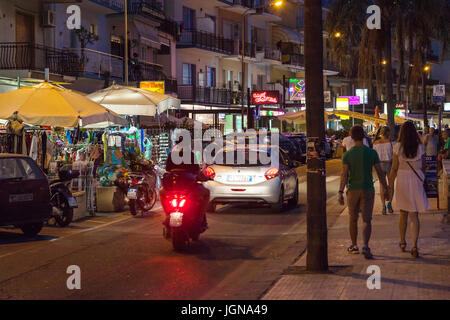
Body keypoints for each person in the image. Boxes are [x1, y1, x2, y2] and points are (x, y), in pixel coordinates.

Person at [338, 125, 390, 259]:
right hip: (367, 189)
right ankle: (365, 246)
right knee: (367, 220)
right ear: (363, 136)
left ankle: (354, 245)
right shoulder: (371, 153)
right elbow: (380, 173)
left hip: (353, 190)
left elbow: (344, 175)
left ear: (352, 137)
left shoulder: (348, 155)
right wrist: (386, 188)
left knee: (353, 219)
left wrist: (340, 192)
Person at [388, 121, 429, 258]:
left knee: (403, 213)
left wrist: (390, 185)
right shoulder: (421, 148)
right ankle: (414, 246)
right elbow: (423, 167)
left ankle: (402, 242)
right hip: (416, 181)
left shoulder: (397, 147)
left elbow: (394, 168)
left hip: (402, 180)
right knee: (414, 215)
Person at [373, 126, 394, 215]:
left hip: (380, 164)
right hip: (389, 164)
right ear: (388, 133)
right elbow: (394, 154)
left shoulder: (375, 143)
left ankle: (383, 206)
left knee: (382, 185)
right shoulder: (391, 142)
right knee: (391, 184)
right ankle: (389, 203)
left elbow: (374, 155)